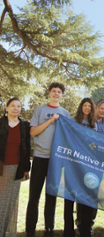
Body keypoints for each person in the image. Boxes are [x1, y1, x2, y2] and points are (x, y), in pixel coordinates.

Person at [26, 83, 70, 237]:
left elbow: (68, 137)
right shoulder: (40, 110)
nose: (56, 94)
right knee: (34, 196)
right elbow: (33, 132)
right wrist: (51, 120)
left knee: (51, 196)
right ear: (49, 93)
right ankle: (30, 229)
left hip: (56, 160)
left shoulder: (66, 113)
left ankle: (49, 228)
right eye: (54, 91)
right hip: (39, 157)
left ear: (62, 95)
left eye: (59, 92)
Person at [75, 99, 104, 235]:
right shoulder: (90, 121)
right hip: (84, 160)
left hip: (98, 163)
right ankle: (80, 222)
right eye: (101, 108)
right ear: (96, 108)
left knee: (94, 192)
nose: (102, 111)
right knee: (82, 191)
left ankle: (90, 222)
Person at [64, 97, 97, 237]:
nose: (87, 108)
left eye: (89, 106)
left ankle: (85, 229)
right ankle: (68, 230)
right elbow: (67, 137)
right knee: (69, 197)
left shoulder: (94, 124)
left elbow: (95, 143)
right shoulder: (72, 120)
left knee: (87, 196)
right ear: (81, 107)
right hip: (73, 163)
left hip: (88, 164)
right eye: (85, 105)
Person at [0, 98, 31, 237]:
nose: (16, 108)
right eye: (13, 106)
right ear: (6, 108)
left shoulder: (24, 126)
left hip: (15, 168)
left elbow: (26, 148)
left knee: (11, 203)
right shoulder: (0, 123)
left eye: (18, 106)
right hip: (1, 168)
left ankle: (8, 232)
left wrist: (26, 168)